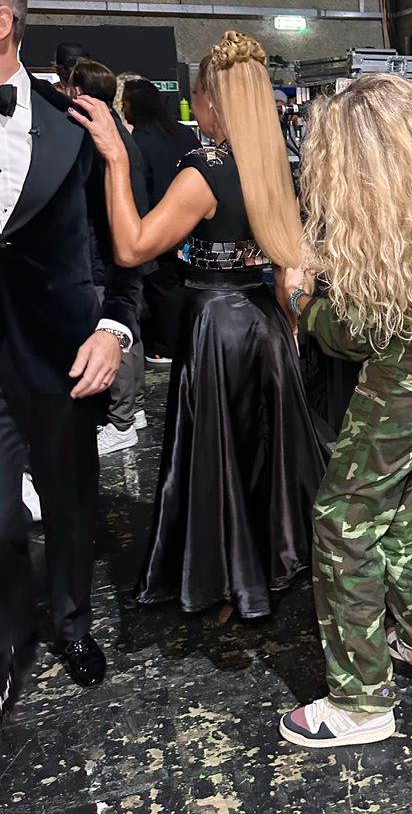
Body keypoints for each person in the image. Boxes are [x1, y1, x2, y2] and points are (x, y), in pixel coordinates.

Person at [71, 31, 325, 621]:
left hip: (218, 326)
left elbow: (132, 247)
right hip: (265, 324)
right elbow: (289, 261)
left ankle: (228, 581)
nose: (195, 108)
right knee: (257, 454)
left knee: (221, 459)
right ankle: (266, 566)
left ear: (212, 99)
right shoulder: (274, 167)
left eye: (198, 97)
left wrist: (114, 159)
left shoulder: (204, 171)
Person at [277, 74, 412, 749]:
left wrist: (299, 303)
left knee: (342, 522)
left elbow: (356, 334)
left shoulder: (390, 232)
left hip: (399, 388)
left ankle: (360, 701)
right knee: (399, 507)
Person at [0, 0, 143, 690]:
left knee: (70, 505)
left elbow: (124, 254)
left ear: (2, 22)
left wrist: (114, 332)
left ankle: (71, 626)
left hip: (61, 357)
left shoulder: (82, 129)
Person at [67, 58, 151, 455]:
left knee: (115, 331)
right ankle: (129, 413)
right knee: (123, 329)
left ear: (77, 91)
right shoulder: (120, 131)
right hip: (118, 247)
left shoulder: (102, 137)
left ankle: (123, 420)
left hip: (108, 251)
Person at [122, 78, 199, 362]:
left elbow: (139, 190)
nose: (123, 109)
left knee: (162, 287)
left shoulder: (138, 142)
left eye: (126, 103)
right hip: (195, 224)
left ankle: (168, 346)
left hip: (158, 224)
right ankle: (187, 340)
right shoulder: (183, 133)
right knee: (186, 284)